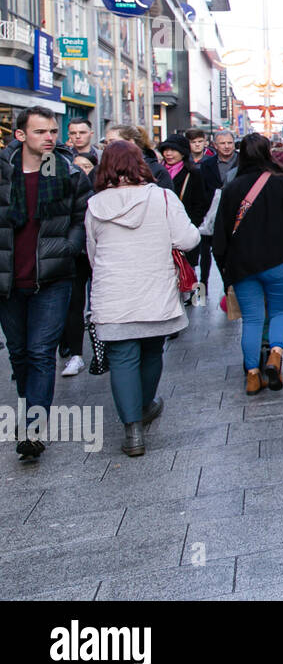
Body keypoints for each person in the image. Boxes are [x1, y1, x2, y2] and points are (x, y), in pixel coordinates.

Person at [86, 141, 200, 456]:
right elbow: (188, 239)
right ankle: (146, 405)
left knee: (122, 358)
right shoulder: (162, 197)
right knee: (152, 351)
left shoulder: (95, 205)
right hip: (155, 289)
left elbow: (93, 253)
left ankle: (132, 431)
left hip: (113, 293)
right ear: (141, 163)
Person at [0, 105, 92, 461]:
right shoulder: (4, 173)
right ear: (21, 135)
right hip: (8, 279)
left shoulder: (67, 173)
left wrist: (69, 247)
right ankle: (30, 412)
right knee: (19, 353)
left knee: (41, 353)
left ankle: (33, 429)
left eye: (53, 131)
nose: (51, 138)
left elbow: (82, 215)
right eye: (41, 132)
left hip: (52, 278)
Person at [213, 134, 283, 395]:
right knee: (281, 311)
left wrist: (225, 271)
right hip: (278, 261)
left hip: (242, 266)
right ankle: (275, 355)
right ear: (268, 152)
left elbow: (220, 234)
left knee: (251, 319)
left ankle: (252, 375)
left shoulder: (232, 188)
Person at [59, 152, 98, 378]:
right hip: (75, 254)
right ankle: (76, 354)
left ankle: (103, 348)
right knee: (75, 304)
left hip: (97, 253)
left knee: (98, 302)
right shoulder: (67, 187)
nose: (83, 170)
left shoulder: (100, 189)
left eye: (87, 166)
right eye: (78, 166)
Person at [158, 134, 211, 269]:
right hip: (159, 232)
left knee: (185, 277)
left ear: (183, 152)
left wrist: (190, 226)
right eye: (166, 150)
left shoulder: (193, 174)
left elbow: (201, 204)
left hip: (183, 232)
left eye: (173, 150)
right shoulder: (157, 173)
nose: (168, 154)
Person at [198, 130, 239, 292]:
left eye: (229, 143)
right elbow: (202, 191)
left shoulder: (241, 162)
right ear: (215, 146)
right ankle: (204, 286)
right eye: (222, 143)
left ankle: (231, 286)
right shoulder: (207, 165)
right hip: (212, 215)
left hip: (236, 214)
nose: (227, 146)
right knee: (214, 252)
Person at [106, 124, 172, 189]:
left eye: (112, 142)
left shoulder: (156, 170)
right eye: (106, 143)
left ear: (131, 142)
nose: (107, 146)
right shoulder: (103, 170)